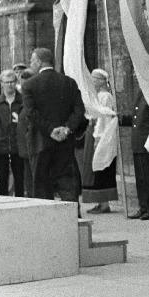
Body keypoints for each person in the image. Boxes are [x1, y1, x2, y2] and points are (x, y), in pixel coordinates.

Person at [22, 47, 85, 203]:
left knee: (42, 185)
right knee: (67, 183)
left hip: (40, 142)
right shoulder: (69, 82)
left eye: (32, 60)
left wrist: (50, 130)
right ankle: (72, 219)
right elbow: (79, 110)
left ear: (39, 61)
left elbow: (31, 113)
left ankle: (46, 223)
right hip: (65, 142)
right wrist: (67, 128)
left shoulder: (29, 85)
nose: (31, 63)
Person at [78, 68, 119, 214]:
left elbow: (104, 118)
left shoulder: (105, 96)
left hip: (100, 134)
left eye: (95, 78)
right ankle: (99, 201)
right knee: (93, 168)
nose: (92, 81)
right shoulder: (96, 96)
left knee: (101, 167)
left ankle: (104, 203)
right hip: (93, 132)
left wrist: (99, 137)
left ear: (102, 81)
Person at [120, 80, 149, 220]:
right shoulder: (141, 92)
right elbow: (136, 118)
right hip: (138, 141)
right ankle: (143, 206)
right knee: (141, 178)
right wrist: (121, 119)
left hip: (147, 140)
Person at [0, 69, 25, 196]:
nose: (9, 85)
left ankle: (19, 204)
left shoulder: (23, 101)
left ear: (16, 82)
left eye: (12, 82)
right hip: (0, 146)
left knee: (20, 179)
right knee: (2, 179)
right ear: (1, 83)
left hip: (19, 147)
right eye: (6, 82)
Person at [16, 68, 36, 196]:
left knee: (35, 182)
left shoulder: (35, 101)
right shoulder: (24, 100)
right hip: (25, 149)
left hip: (34, 148)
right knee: (29, 182)